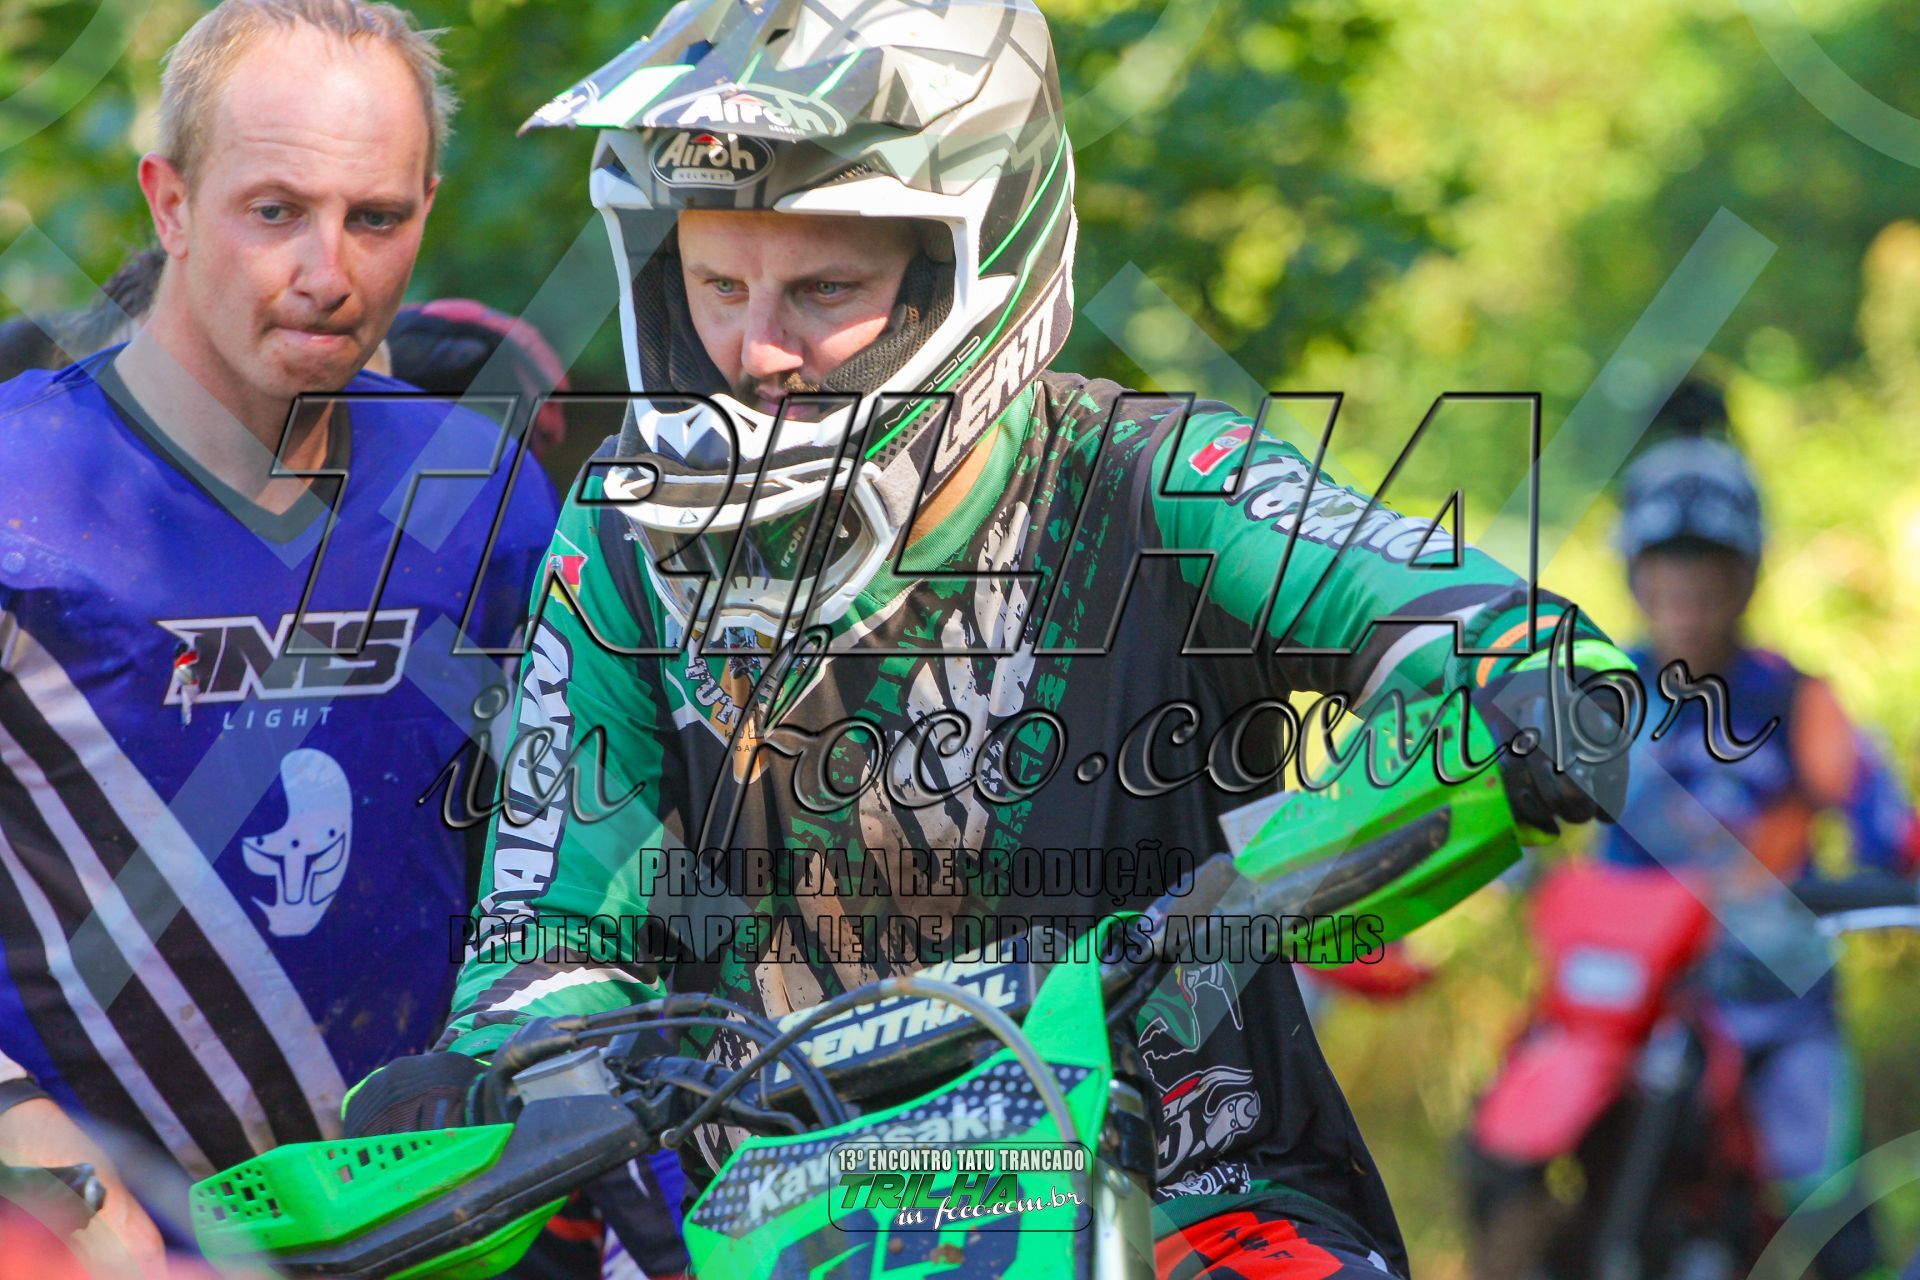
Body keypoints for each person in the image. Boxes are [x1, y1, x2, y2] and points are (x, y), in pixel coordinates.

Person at [345, 2, 1636, 1276]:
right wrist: (501, 1077)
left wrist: (1513, 692)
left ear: (966, 265)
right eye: (717, 284)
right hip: (796, 1221)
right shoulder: (627, 536)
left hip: (1189, 1192)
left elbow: (1477, 623)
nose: (755, 349)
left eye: (824, 289)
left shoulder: (1151, 479)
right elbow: (553, 927)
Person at [0, 0, 558, 1261]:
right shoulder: (21, 489)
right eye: (275, 211)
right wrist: (37, 1163)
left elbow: (564, 855)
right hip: (98, 1232)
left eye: (377, 217)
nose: (330, 271)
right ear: (170, 202)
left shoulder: (478, 488)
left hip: (446, 1218)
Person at [1597, 380, 1917, 1280]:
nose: (1689, 601)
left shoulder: (1800, 703)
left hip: (1774, 1007)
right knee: (1507, 1160)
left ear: (1745, 581)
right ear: (1635, 577)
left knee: (1828, 1220)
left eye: (1710, 579)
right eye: (1669, 577)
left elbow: (1891, 834)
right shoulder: (1596, 695)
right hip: (1624, 1006)